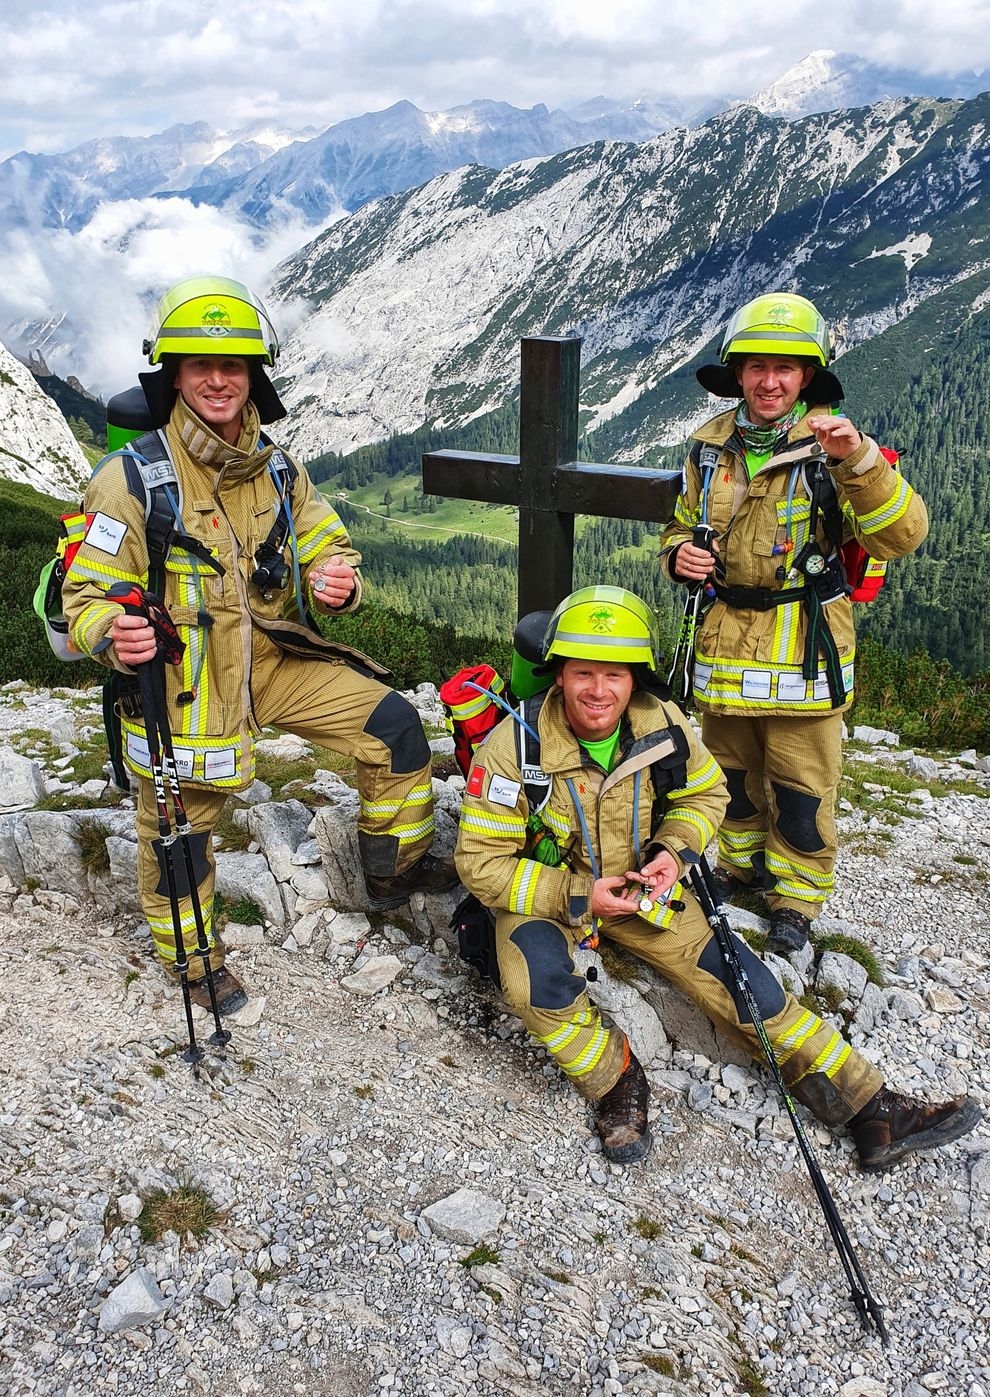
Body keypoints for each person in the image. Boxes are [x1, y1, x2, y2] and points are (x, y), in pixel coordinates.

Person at [454, 585, 979, 1169]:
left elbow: (705, 794)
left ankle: (871, 1109)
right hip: (553, 897)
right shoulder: (514, 746)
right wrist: (578, 895)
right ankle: (615, 1080)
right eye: (583, 673)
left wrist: (673, 852)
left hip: (644, 889)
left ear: (634, 679)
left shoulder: (662, 725)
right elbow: (480, 863)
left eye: (614, 675)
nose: (598, 691)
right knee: (536, 986)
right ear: (558, 675)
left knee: (749, 986)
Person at [62, 275, 456, 1012]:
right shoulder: (128, 479)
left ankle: (391, 869)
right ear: (173, 375)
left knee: (395, 727)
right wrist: (111, 632)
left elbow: (326, 542)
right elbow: (85, 595)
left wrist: (338, 580)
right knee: (179, 835)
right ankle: (194, 960)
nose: (218, 380)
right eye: (201, 366)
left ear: (254, 377)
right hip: (188, 685)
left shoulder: (278, 468)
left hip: (274, 660)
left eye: (233, 366)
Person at [659, 292, 928, 957]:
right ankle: (738, 867)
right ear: (738, 372)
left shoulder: (834, 448)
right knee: (728, 775)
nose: (770, 381)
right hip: (724, 645)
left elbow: (901, 536)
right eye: (757, 366)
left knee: (802, 788)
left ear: (808, 376)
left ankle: (796, 899)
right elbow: (679, 525)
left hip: (804, 649)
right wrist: (679, 555)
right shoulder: (707, 448)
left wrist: (859, 461)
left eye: (786, 367)